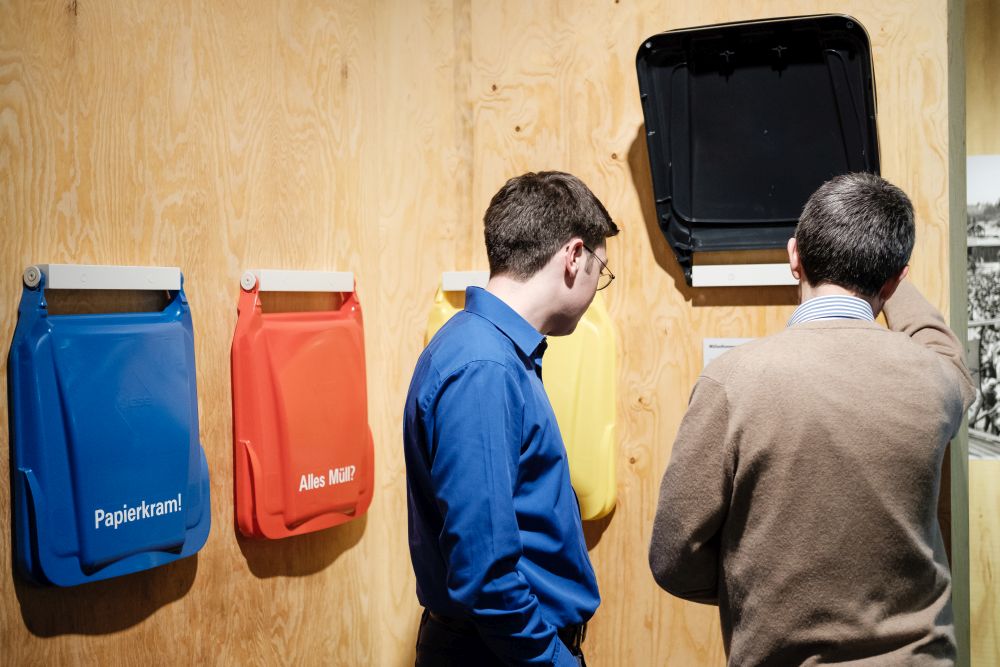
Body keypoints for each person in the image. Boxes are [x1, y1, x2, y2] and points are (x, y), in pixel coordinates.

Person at [649, 172, 975, 665]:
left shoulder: (731, 382)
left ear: (794, 257)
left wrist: (759, 588)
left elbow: (673, 559)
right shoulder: (935, 379)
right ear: (896, 279)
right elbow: (943, 348)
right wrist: (890, 279)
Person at [404, 171, 619, 666]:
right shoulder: (484, 367)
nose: (595, 291)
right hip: (499, 655)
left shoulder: (489, 351)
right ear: (573, 256)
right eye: (600, 272)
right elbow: (485, 574)